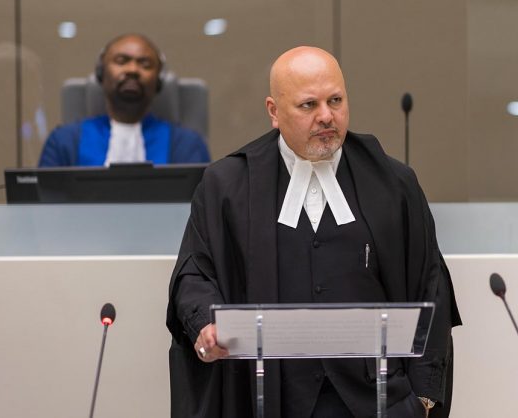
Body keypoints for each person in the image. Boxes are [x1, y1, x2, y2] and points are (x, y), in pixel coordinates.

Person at [166, 46, 460, 417]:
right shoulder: (226, 185)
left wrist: (425, 399)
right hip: (269, 397)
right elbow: (195, 272)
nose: (326, 116)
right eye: (308, 105)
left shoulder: (394, 184)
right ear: (274, 111)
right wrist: (204, 322)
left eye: (335, 100)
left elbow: (431, 285)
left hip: (378, 400)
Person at [38, 33, 210, 167]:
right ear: (101, 73)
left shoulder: (187, 144)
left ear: (158, 80)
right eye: (121, 61)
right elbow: (43, 208)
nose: (133, 69)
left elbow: (204, 209)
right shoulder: (63, 141)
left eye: (145, 64)